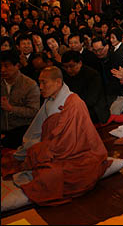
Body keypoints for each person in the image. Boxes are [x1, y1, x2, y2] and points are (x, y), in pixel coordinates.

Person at [1, 66, 110, 206]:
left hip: (75, 152)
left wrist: (45, 149)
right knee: (29, 154)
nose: (40, 87)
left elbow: (72, 141)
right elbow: (38, 128)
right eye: (39, 82)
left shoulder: (75, 104)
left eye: (44, 82)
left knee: (50, 175)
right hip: (54, 146)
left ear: (58, 82)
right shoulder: (51, 99)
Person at [1, 50, 40, 148]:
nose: (2, 70)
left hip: (21, 131)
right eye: (0, 66)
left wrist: (11, 109)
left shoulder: (29, 85)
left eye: (6, 66)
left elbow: (34, 111)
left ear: (17, 65)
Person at [61, 51, 109, 124]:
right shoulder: (65, 75)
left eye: (71, 66)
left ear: (80, 63)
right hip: (74, 106)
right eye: (65, 67)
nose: (68, 70)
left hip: (94, 110)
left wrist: (70, 107)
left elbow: (91, 100)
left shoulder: (93, 75)